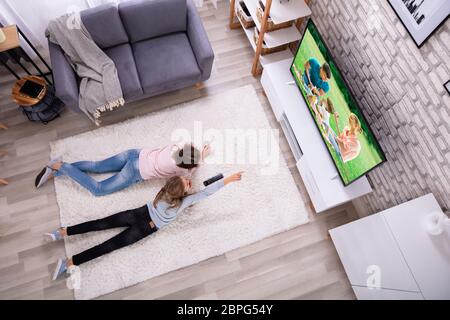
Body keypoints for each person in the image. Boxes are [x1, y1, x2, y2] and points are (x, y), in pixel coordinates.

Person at [46, 171, 244, 280]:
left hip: (142, 221)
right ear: (179, 190)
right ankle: (63, 234)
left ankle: (68, 260)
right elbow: (203, 193)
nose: (189, 181)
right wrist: (226, 180)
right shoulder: (180, 198)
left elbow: (195, 187)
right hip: (142, 219)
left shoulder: (172, 193)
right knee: (102, 228)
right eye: (187, 182)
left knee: (105, 242)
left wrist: (225, 179)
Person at [34, 143, 210, 196]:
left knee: (96, 166)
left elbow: (188, 152)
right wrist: (200, 160)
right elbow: (188, 175)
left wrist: (198, 152)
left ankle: (57, 171)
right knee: (98, 190)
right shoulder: (179, 169)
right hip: (135, 171)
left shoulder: (176, 147)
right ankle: (60, 166)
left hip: (133, 154)